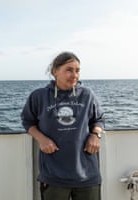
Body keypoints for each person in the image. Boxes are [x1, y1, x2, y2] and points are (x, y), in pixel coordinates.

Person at [21, 51, 105, 200]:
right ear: (55, 71)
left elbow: (98, 119)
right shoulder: (39, 96)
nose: (74, 75)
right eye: (69, 70)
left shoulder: (87, 94)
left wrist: (95, 135)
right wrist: (42, 139)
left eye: (77, 70)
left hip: (87, 175)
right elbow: (28, 122)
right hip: (54, 176)